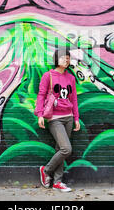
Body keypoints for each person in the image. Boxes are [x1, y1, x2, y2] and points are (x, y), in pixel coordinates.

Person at [34, 48, 80, 192]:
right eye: (63, 58)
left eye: (68, 58)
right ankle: (46, 171)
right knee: (66, 149)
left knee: (60, 149)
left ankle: (57, 182)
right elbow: (41, 95)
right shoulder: (48, 76)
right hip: (54, 118)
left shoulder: (71, 78)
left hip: (69, 117)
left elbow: (74, 99)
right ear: (56, 59)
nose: (66, 60)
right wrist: (40, 114)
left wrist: (76, 118)